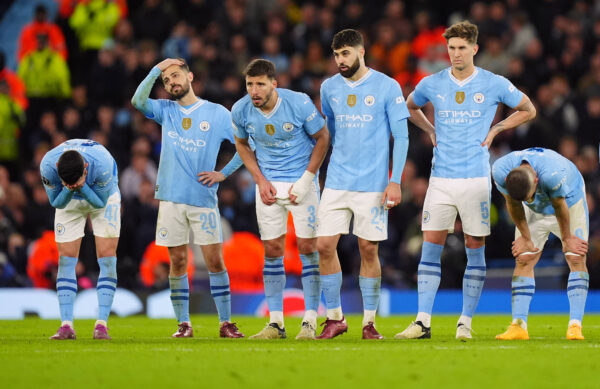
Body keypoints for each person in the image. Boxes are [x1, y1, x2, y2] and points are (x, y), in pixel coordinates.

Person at [395, 21, 536, 341]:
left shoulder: (493, 83)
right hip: (441, 179)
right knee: (430, 247)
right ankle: (422, 321)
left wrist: (497, 129)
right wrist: (429, 130)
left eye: (461, 48)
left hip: (475, 179)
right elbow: (410, 107)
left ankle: (465, 322)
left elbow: (528, 109)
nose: (456, 54)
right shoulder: (432, 83)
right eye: (451, 48)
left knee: (474, 247)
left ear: (474, 48)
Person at [131, 58, 244, 338]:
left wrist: (223, 173)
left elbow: (245, 144)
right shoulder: (165, 110)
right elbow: (137, 101)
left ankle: (226, 323)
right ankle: (184, 324)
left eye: (175, 76)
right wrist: (156, 70)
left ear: (190, 76)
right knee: (178, 261)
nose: (171, 82)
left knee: (215, 261)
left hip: (203, 200)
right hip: (170, 199)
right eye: (166, 80)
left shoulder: (217, 114)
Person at [316, 29, 410, 339]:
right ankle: (334, 318)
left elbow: (402, 136)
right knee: (324, 246)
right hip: (337, 181)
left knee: (368, 249)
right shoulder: (328, 88)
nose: (340, 60)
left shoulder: (386, 86)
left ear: (361, 51)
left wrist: (394, 181)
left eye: (346, 53)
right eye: (336, 55)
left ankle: (369, 323)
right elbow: (328, 132)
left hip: (372, 184)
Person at [232, 59, 329, 339]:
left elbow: (322, 137)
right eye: (250, 84)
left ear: (274, 84)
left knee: (308, 247)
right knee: (272, 249)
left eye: (260, 84)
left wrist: (307, 179)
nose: (254, 90)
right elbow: (241, 143)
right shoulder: (240, 110)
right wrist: (260, 180)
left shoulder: (298, 103)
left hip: (302, 182)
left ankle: (310, 320)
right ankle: (276, 323)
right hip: (269, 186)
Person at [492, 148, 589, 340]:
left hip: (569, 203)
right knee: (523, 258)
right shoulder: (500, 170)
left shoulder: (553, 174)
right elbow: (513, 204)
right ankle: (518, 326)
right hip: (533, 211)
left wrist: (567, 237)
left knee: (576, 257)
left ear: (536, 180)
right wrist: (526, 238)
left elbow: (559, 205)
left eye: (531, 194)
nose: (530, 198)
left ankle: (575, 325)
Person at [40, 139, 121, 340]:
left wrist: (81, 187)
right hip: (69, 199)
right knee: (66, 259)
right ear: (58, 168)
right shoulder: (48, 166)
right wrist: (69, 188)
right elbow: (55, 202)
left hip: (103, 195)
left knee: (107, 256)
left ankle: (101, 325)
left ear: (86, 167)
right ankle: (66, 325)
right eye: (65, 181)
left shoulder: (103, 164)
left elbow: (100, 202)